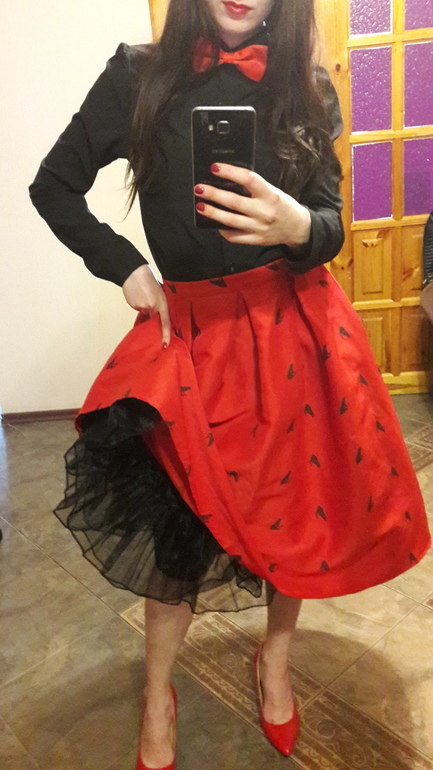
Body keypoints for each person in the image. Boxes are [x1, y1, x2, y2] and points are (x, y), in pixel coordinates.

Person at [29, 1, 431, 768]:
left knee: (299, 513)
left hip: (294, 330)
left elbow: (330, 224)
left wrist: (295, 227)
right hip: (193, 341)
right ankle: (158, 694)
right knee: (178, 535)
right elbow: (53, 186)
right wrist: (124, 267)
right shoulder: (136, 76)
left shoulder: (307, 82)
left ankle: (273, 660)